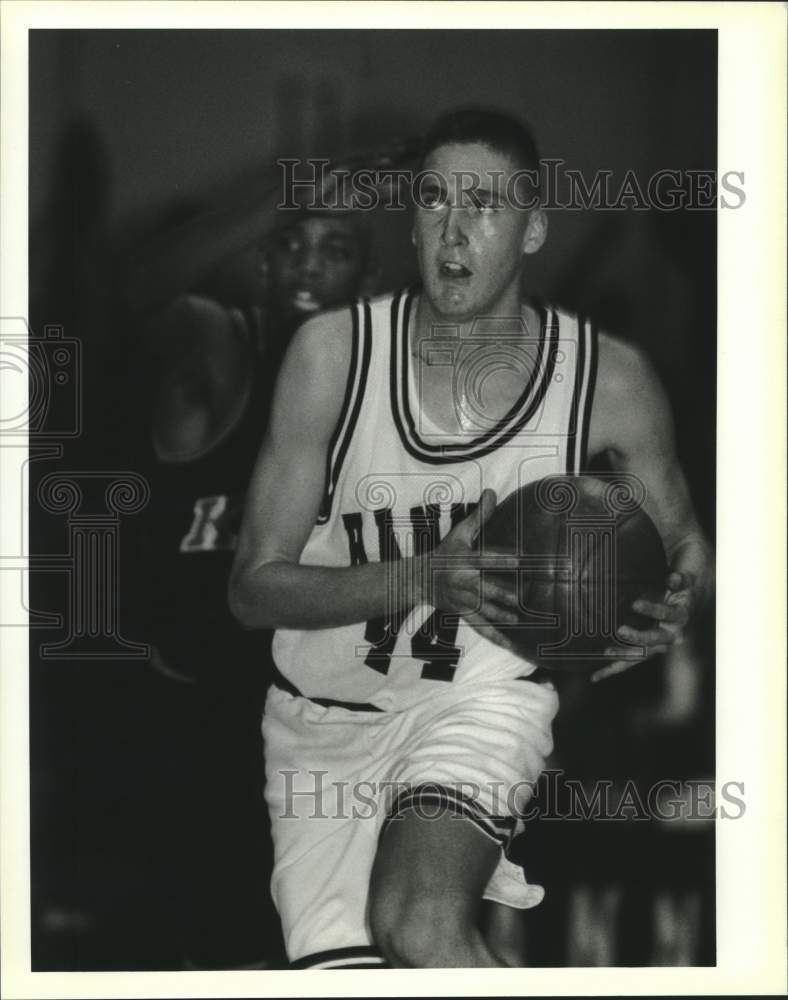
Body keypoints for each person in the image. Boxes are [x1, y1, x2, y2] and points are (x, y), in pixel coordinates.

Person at [229, 108, 714, 969]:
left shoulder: (611, 380)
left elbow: (687, 549)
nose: (454, 230)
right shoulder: (331, 357)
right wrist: (424, 578)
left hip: (479, 703)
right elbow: (252, 590)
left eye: (484, 205)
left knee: (418, 925)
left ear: (531, 230)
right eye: (433, 200)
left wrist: (673, 609)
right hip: (320, 728)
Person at [125, 166, 385, 968]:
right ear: (262, 261)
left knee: (317, 946)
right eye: (291, 245)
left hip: (321, 722)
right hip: (194, 713)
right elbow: (133, 289)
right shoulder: (217, 337)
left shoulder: (382, 385)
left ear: (363, 274)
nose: (310, 265)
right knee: (198, 944)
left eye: (334, 248)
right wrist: (302, 184)